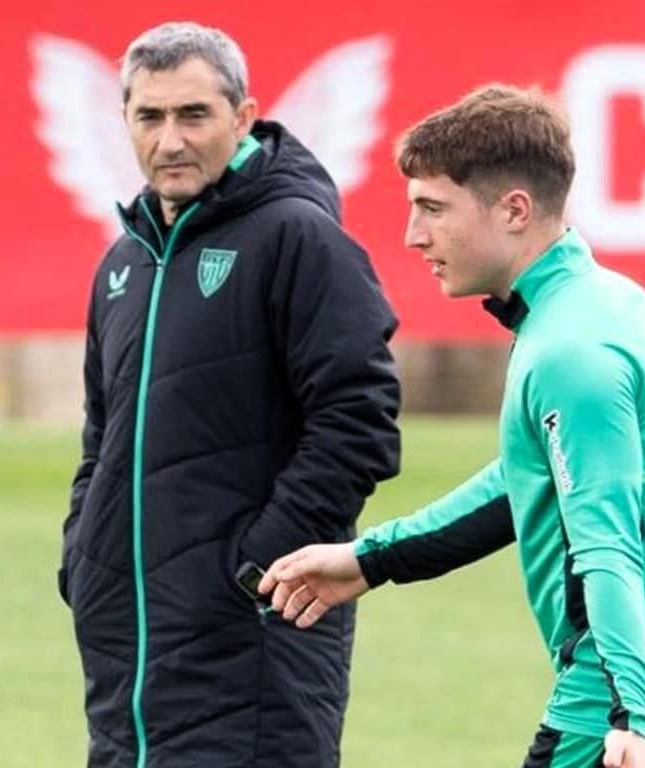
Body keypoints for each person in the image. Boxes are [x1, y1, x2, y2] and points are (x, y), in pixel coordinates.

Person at [259, 84, 645, 768]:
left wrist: (630, 714)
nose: (413, 234)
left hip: (640, 715)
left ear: (514, 210)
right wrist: (371, 560)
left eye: (432, 208)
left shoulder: (568, 350)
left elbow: (605, 543)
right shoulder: (610, 303)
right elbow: (528, 483)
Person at [59, 21, 401, 768]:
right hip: (130, 659)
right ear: (125, 123)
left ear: (243, 117)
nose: (170, 140)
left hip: (252, 650)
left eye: (194, 115)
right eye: (149, 117)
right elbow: (100, 435)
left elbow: (360, 421)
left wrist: (255, 568)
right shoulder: (124, 263)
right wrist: (82, 556)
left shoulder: (299, 238)